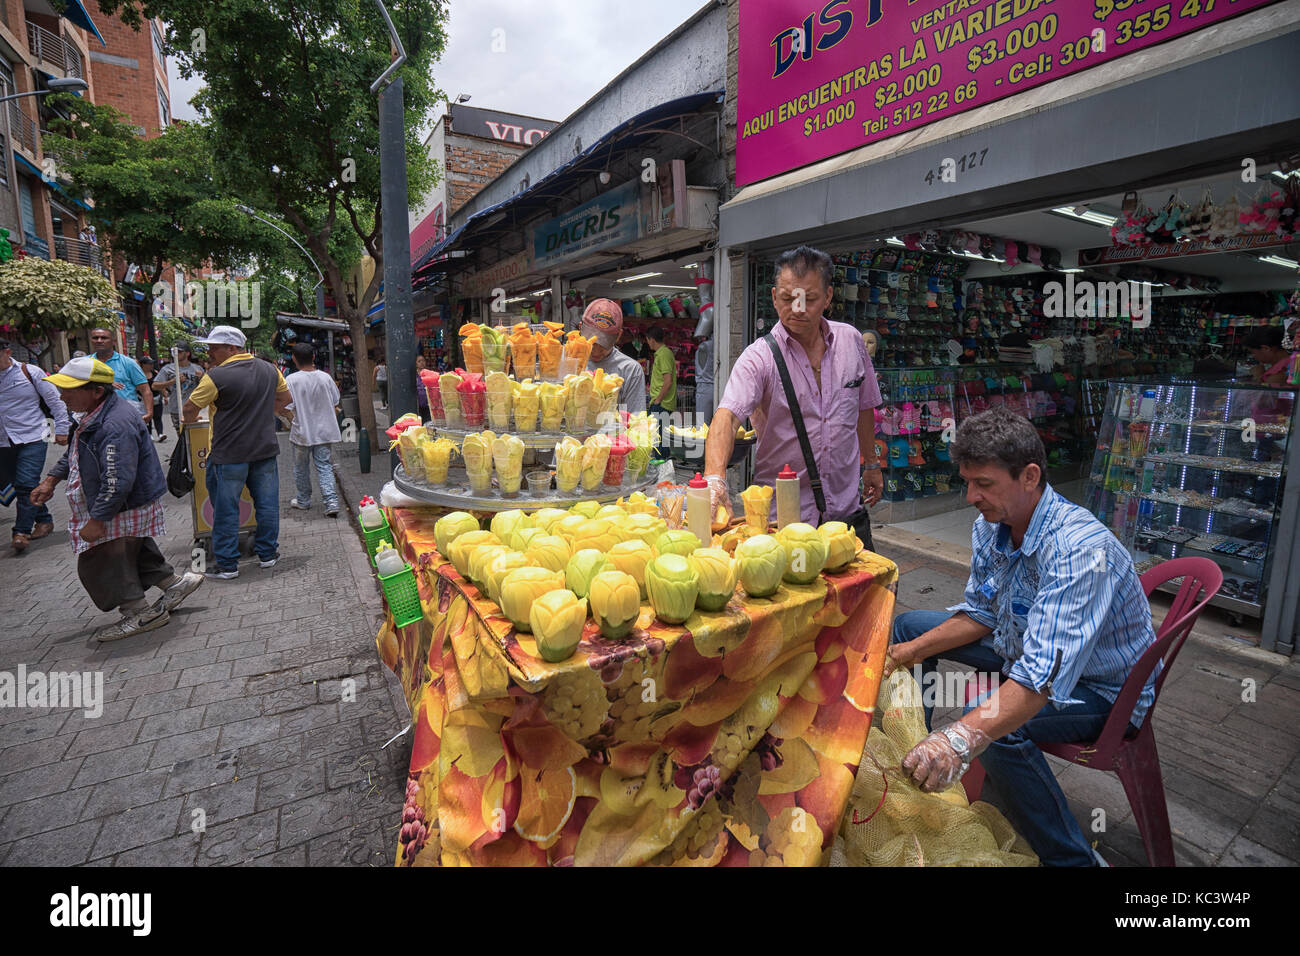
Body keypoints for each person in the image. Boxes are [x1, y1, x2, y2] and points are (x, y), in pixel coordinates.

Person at [887, 408, 1157, 867]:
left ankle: (1073, 859)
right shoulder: (991, 524)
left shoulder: (1080, 550)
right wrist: (904, 653)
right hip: (1021, 644)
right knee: (911, 629)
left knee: (999, 731)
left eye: (984, 484)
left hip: (1101, 689)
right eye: (967, 481)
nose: (971, 496)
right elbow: (982, 612)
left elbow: (1037, 683)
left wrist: (960, 737)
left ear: (1030, 476)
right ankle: (912, 743)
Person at [704, 245, 882, 547]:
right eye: (788, 299)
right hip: (781, 523)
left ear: (827, 297)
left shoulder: (851, 341)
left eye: (809, 299)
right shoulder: (758, 358)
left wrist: (872, 464)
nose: (798, 308)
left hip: (846, 517)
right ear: (774, 297)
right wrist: (714, 477)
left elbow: (864, 406)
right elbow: (728, 415)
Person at [30, 357, 203, 641]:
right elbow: (77, 450)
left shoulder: (114, 424)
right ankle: (172, 584)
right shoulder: (95, 413)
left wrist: (98, 520)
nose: (62, 397)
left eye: (69, 390)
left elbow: (116, 480)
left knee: (100, 560)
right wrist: (51, 479)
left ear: (96, 391)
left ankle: (139, 613)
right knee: (130, 549)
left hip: (119, 504)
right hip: (121, 503)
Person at [182, 325, 293, 580]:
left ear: (232, 348)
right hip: (264, 450)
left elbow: (190, 408)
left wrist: (188, 424)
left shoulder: (216, 376)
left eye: (214, 348)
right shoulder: (270, 369)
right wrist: (265, 413)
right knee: (266, 505)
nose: (210, 353)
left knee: (225, 508)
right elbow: (285, 399)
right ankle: (267, 555)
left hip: (228, 454)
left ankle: (228, 565)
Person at [0, 337, 72, 552]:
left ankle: (20, 532)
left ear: (6, 351)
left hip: (34, 435)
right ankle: (44, 519)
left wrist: (62, 430)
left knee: (25, 482)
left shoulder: (30, 372)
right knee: (20, 485)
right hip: (3, 441)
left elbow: (56, 402)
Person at [285, 342, 341, 517]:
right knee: (324, 465)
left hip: (301, 432)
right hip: (324, 431)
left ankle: (303, 501)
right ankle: (331, 502)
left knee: (301, 467)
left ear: (294, 359)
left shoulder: (291, 380)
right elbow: (335, 401)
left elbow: (287, 406)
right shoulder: (325, 378)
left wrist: (291, 420)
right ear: (314, 357)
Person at [581, 298, 647, 417]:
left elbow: (636, 421)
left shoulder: (630, 370)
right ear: (581, 328)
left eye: (603, 344)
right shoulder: (566, 360)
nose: (596, 351)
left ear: (618, 336)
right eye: (591, 342)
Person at [88, 327, 152, 424]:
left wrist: (149, 413)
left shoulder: (128, 363)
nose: (99, 341)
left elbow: (145, 390)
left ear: (114, 342)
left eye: (104, 338)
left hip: (125, 417)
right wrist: (105, 384)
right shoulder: (84, 363)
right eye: (95, 338)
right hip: (94, 417)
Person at [154, 341, 204, 438]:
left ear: (187, 353)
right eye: (174, 352)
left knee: (195, 437)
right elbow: (155, 386)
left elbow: (206, 387)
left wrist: (202, 377)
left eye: (180, 351)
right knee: (182, 437)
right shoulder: (167, 369)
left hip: (194, 408)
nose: (176, 354)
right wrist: (172, 381)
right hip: (177, 409)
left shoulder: (197, 368)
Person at [646, 325, 677, 416]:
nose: (647, 343)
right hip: (660, 402)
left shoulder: (663, 354)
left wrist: (658, 401)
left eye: (647, 340)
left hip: (662, 404)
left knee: (657, 430)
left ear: (652, 339)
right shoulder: (661, 353)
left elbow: (668, 381)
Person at [138, 356, 168, 443]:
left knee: (157, 416)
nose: (151, 365)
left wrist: (165, 396)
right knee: (147, 417)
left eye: (152, 363)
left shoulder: (155, 373)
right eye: (149, 363)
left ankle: (160, 434)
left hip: (156, 398)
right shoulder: (138, 374)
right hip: (143, 399)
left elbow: (160, 385)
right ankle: (149, 434)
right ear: (143, 365)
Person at [694, 333, 715, 426]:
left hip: (703, 389)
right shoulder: (717, 344)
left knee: (702, 426)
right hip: (717, 385)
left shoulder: (705, 346)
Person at [416, 354, 431, 424]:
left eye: (423, 361)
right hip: (418, 404)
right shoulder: (414, 375)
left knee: (427, 422)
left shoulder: (429, 374)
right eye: (419, 361)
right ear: (416, 363)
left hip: (427, 403)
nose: (422, 363)